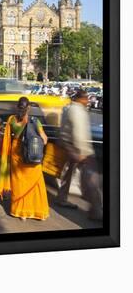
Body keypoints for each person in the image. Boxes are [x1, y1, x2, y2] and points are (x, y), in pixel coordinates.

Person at [0, 96, 50, 221]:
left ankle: (21, 212)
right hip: (32, 156)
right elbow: (45, 140)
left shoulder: (12, 120)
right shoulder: (35, 121)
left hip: (16, 155)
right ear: (28, 107)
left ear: (17, 107)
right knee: (36, 184)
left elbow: (8, 139)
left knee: (19, 183)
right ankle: (38, 211)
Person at [57, 90, 102, 220]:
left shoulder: (68, 108)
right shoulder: (78, 111)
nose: (87, 101)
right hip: (79, 149)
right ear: (80, 99)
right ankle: (96, 210)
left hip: (68, 145)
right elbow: (79, 132)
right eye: (86, 98)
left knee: (68, 173)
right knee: (91, 180)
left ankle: (61, 198)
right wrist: (82, 152)